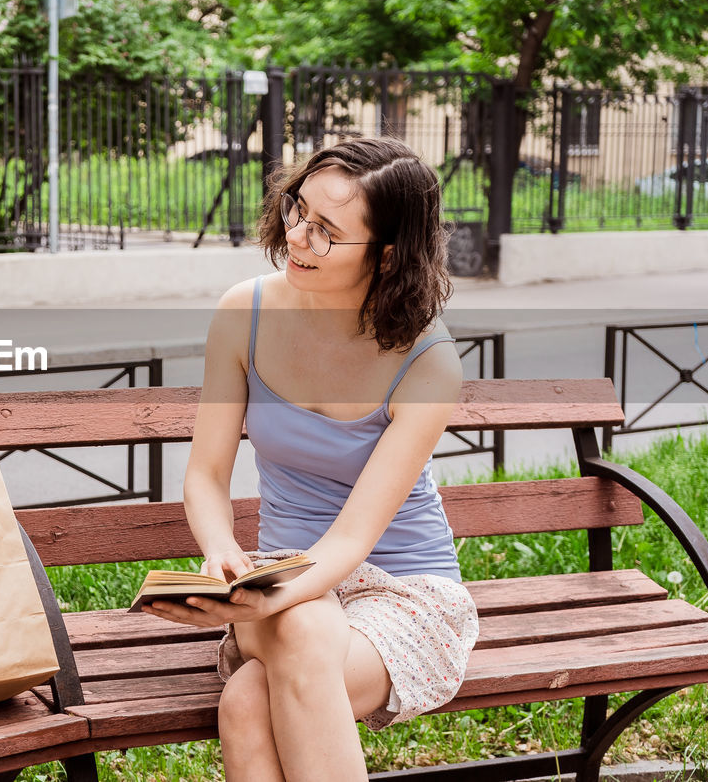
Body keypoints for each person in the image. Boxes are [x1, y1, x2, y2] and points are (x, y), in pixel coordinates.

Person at [142, 137, 479, 779]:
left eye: (327, 232)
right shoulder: (244, 312)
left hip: (403, 590)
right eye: (298, 211)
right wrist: (221, 556)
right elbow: (207, 476)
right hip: (278, 580)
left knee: (247, 699)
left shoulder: (428, 361)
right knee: (299, 632)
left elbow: (354, 535)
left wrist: (278, 599)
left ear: (387, 256)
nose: (297, 236)